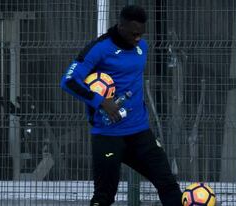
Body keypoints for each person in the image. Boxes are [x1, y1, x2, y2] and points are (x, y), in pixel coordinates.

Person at [60, 5, 182, 206]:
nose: (138, 38)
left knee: (168, 184)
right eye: (134, 33)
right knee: (104, 196)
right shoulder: (99, 49)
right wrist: (101, 102)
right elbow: (69, 81)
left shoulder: (143, 46)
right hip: (107, 136)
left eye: (141, 34)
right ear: (121, 26)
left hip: (139, 133)